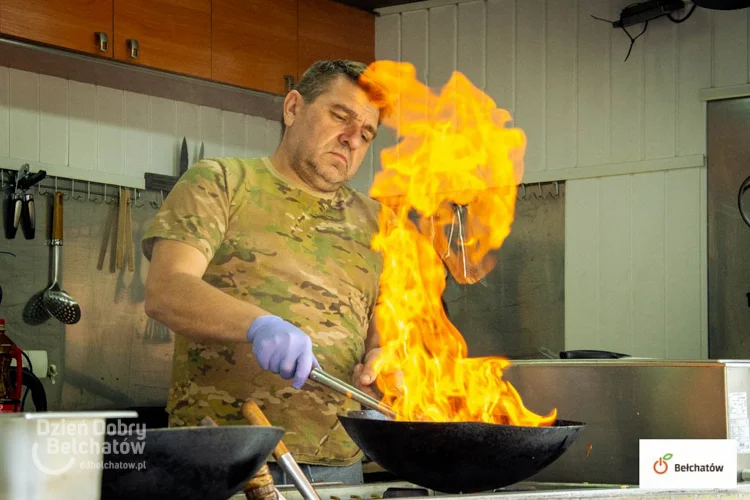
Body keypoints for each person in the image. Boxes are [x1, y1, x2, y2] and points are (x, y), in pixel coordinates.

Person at [141, 59, 390, 485]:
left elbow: (386, 326)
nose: (351, 139)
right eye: (340, 116)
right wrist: (257, 324)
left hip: (338, 462)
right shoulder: (220, 182)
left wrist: (384, 360)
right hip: (222, 453)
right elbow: (166, 290)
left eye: (366, 134)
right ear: (293, 108)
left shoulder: (379, 223)